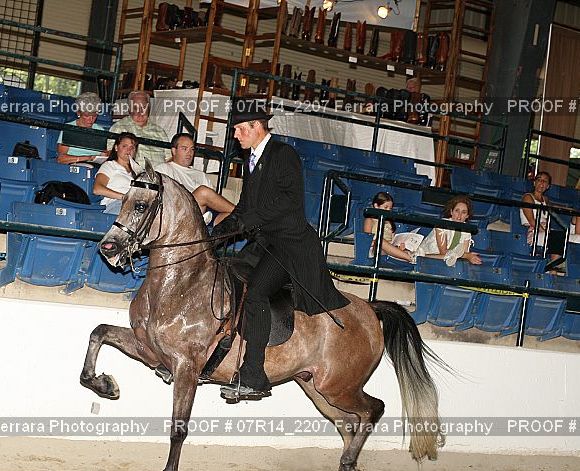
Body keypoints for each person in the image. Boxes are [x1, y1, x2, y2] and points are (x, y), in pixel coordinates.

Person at [211, 99, 349, 401]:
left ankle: (254, 376)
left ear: (256, 127)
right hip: (264, 242)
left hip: (289, 244)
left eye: (239, 129)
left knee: (256, 293)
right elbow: (245, 206)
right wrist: (216, 234)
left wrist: (248, 221)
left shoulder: (283, 154)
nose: (235, 135)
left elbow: (288, 201)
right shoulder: (250, 159)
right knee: (227, 276)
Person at [154, 132, 235, 224]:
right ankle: (241, 213)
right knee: (202, 192)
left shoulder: (200, 174)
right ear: (174, 151)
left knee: (230, 217)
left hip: (205, 214)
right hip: (179, 214)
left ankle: (238, 216)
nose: (189, 153)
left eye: (192, 149)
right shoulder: (163, 169)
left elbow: (214, 202)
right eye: (184, 149)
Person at [414, 194, 482, 266]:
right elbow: (443, 253)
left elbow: (463, 253)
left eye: (464, 212)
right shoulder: (442, 224)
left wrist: (468, 256)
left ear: (467, 216)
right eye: (457, 211)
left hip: (444, 261)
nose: (459, 215)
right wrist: (467, 256)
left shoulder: (467, 230)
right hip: (427, 257)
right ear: (451, 212)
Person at [108, 90, 169, 166]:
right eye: (135, 108)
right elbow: (111, 155)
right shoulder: (119, 128)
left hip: (160, 172)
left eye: (144, 107)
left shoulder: (159, 131)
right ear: (129, 109)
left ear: (149, 108)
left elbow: (169, 158)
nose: (140, 112)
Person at [57, 91, 108, 165]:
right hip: (74, 165)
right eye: (87, 116)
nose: (91, 120)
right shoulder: (69, 128)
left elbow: (104, 155)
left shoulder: (100, 130)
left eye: (94, 116)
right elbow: (61, 159)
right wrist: (87, 158)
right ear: (79, 113)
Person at [93, 131, 139, 215]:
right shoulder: (109, 165)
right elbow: (97, 189)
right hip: (115, 204)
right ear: (116, 148)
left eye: (132, 147)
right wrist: (124, 197)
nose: (129, 150)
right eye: (124, 146)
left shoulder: (138, 171)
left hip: (135, 206)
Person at [363, 192, 414, 262]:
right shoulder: (370, 220)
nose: (388, 210)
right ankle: (410, 258)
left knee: (403, 249)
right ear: (376, 206)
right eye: (385, 207)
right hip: (375, 249)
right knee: (380, 241)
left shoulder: (390, 222)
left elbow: (394, 240)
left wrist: (398, 246)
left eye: (390, 208)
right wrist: (383, 242)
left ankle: (408, 257)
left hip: (389, 249)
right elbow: (366, 241)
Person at [520, 170, 552, 247]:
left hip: (545, 230)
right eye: (539, 179)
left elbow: (554, 209)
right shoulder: (527, 197)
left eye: (545, 181)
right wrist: (547, 233)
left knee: (564, 238)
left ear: (548, 186)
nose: (542, 182)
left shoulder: (546, 199)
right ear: (534, 183)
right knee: (555, 239)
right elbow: (532, 221)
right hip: (533, 230)